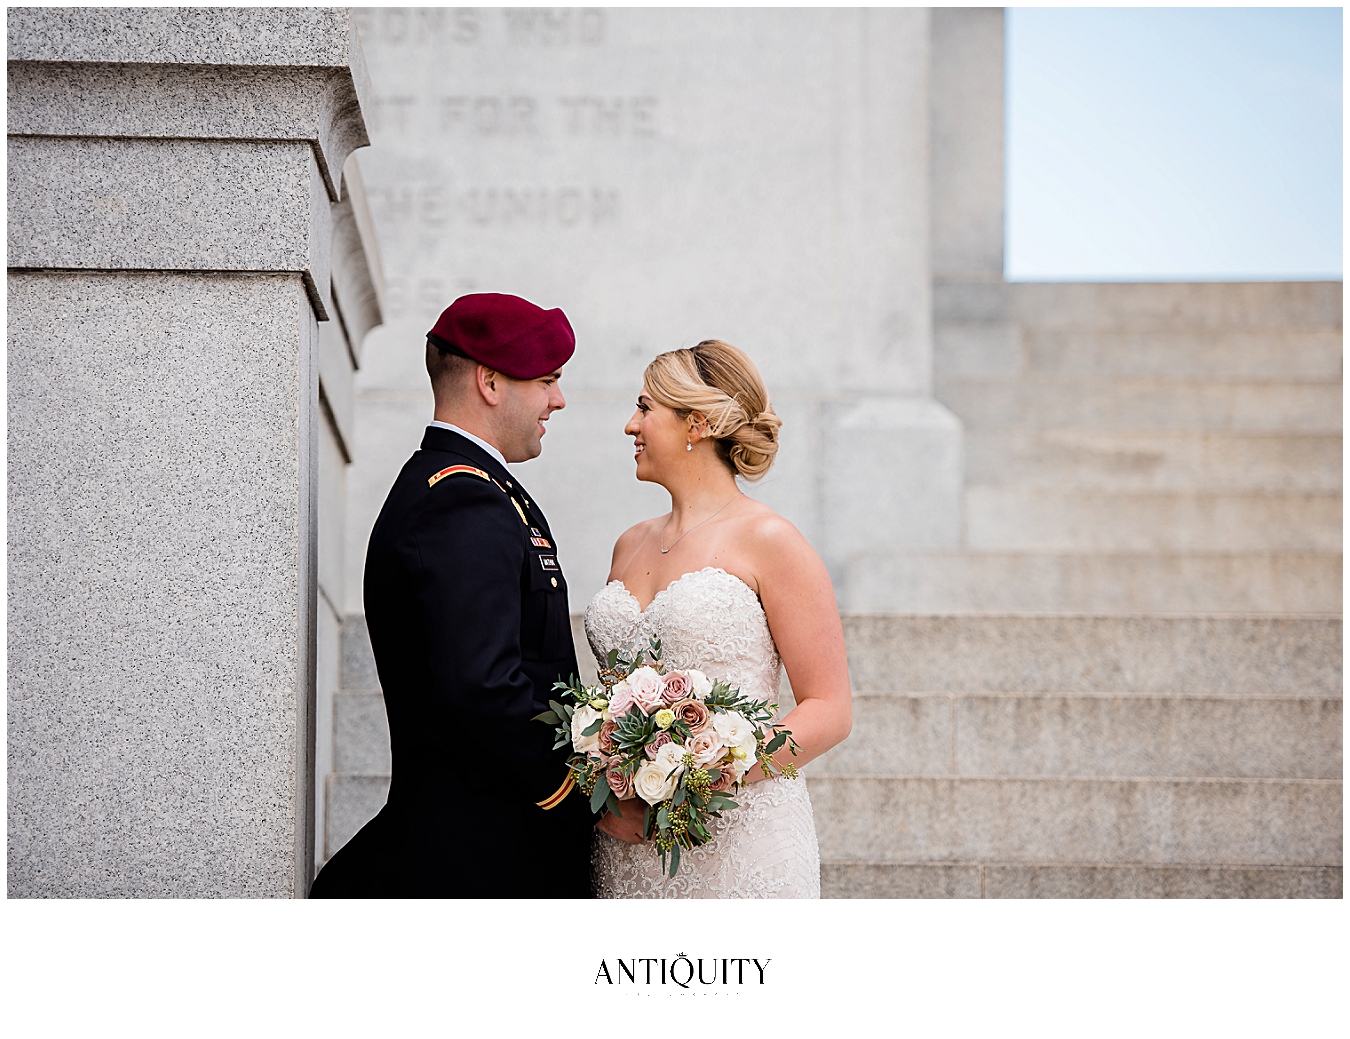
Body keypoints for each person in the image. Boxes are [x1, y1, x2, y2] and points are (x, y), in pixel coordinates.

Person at [310, 293, 597, 897]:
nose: (558, 399)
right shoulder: (460, 499)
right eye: (547, 380)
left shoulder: (474, 489)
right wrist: (581, 792)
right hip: (478, 864)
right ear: (491, 382)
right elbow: (483, 685)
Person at [585, 340, 852, 897]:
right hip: (628, 847)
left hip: (741, 837)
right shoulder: (628, 545)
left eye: (646, 407)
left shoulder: (770, 540)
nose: (630, 425)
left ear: (697, 423)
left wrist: (698, 781)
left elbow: (829, 710)